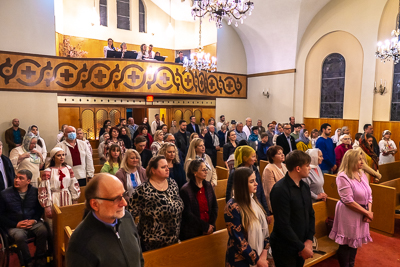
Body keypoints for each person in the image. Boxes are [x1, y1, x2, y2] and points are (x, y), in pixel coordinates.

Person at [66, 173, 144, 267]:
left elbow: (139, 258)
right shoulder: (80, 243)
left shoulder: (126, 218)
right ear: (95, 204)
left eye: (123, 195)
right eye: (116, 199)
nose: (124, 203)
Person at [128, 156, 184, 252]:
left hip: (174, 239)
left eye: (167, 166)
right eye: (163, 167)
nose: (167, 169)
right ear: (153, 170)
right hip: (152, 243)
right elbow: (129, 215)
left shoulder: (172, 183)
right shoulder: (143, 190)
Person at [270, 150, 315, 267]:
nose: (310, 168)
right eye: (307, 165)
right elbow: (283, 224)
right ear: (298, 168)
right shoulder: (280, 189)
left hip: (302, 244)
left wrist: (309, 240)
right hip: (285, 247)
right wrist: (301, 247)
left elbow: (311, 214)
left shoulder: (304, 186)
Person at [329, 149, 373, 267]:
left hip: (362, 211)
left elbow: (369, 195)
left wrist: (368, 211)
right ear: (351, 160)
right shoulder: (343, 176)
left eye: (362, 159)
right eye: (359, 159)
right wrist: (367, 212)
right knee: (346, 243)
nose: (362, 162)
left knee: (355, 240)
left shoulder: (361, 174)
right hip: (349, 212)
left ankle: (351, 264)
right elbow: (348, 200)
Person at [0, 170, 47, 267]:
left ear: (28, 181)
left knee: (43, 230)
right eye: (16, 177)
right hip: (14, 224)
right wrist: (16, 224)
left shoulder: (35, 192)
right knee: (19, 236)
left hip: (31, 221)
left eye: (21, 178)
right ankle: (27, 261)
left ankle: (39, 258)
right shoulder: (4, 194)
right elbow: (1, 216)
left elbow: (39, 210)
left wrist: (33, 220)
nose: (17, 180)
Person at [224, 167, 270, 267]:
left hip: (259, 255)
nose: (256, 183)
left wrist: (264, 252)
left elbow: (264, 229)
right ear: (242, 185)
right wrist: (257, 260)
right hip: (240, 260)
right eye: (251, 181)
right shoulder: (232, 206)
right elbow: (238, 239)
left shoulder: (254, 200)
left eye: (255, 180)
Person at [225, 146, 271, 218]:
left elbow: (260, 190)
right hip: (243, 209)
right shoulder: (236, 173)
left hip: (256, 205)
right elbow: (229, 194)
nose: (255, 159)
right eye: (253, 157)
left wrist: (266, 211)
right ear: (245, 158)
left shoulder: (254, 169)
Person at [179, 159, 218, 241]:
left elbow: (214, 206)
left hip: (210, 228)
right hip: (193, 232)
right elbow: (187, 214)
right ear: (195, 172)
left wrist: (210, 225)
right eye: (203, 170)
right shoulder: (185, 190)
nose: (206, 172)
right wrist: (204, 227)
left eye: (206, 169)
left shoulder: (208, 185)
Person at [38, 147, 81, 219]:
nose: (62, 157)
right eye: (59, 155)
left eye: (63, 155)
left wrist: (75, 199)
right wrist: (47, 205)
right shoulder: (48, 171)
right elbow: (44, 189)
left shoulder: (68, 168)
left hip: (67, 197)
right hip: (54, 198)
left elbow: (73, 184)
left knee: (68, 218)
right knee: (55, 221)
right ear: (53, 158)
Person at [262, 145, 287, 212]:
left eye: (282, 153)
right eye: (279, 154)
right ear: (272, 157)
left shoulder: (284, 166)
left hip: (286, 199)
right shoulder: (269, 169)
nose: (282, 155)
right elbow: (269, 191)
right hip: (277, 202)